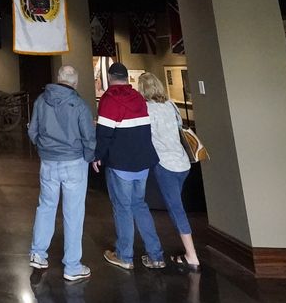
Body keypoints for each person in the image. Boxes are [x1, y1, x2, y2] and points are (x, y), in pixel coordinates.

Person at [93, 62, 165, 270]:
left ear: (110, 77)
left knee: (122, 208)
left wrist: (98, 156)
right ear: (126, 78)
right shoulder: (139, 99)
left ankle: (124, 256)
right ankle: (156, 255)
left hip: (120, 164)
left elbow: (104, 133)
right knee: (140, 206)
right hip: (142, 163)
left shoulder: (109, 99)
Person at [28, 65, 97, 282]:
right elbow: (88, 137)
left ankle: (38, 254)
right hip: (74, 162)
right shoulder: (79, 105)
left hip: (48, 162)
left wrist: (43, 148)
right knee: (73, 213)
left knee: (46, 207)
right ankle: (72, 266)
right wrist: (88, 156)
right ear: (75, 83)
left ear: (58, 79)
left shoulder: (41, 101)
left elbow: (33, 131)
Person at [138, 72, 201, 272]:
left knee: (176, 209)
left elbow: (145, 136)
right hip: (183, 162)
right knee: (177, 205)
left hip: (166, 164)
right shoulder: (171, 105)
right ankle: (189, 251)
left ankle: (191, 255)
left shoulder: (147, 109)